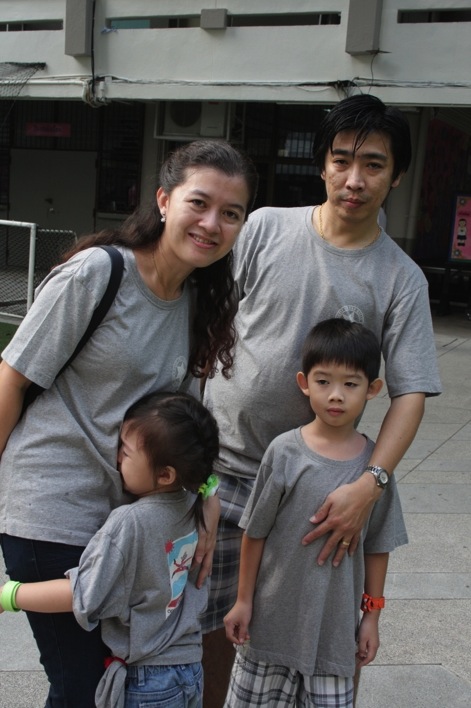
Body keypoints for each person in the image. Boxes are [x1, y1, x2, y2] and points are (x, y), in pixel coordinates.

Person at [200, 94, 441, 706]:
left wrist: (370, 484)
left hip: (324, 493)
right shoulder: (264, 227)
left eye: (374, 165)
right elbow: (210, 318)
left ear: (397, 175)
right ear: (323, 164)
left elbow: (410, 393)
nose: (354, 179)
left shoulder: (401, 277)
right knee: (210, 625)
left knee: (328, 634)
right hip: (223, 469)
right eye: (341, 160)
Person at [0, 140, 258, 707]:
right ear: (164, 200)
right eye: (199, 203)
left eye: (231, 213)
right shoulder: (99, 273)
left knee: (113, 680)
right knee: (83, 684)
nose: (212, 224)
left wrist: (207, 494)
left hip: (124, 521)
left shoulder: (196, 299)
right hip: (51, 508)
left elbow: (183, 423)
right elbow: (11, 379)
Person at [223, 319, 408, 707]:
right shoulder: (284, 453)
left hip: (334, 637)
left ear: (373, 389)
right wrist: (243, 600)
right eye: (323, 381)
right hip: (268, 631)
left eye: (351, 384)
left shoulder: (375, 471)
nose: (335, 395)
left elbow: (378, 547)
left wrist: (371, 617)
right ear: (304, 383)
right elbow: (254, 532)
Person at [0, 391, 220, 708]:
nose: (116, 458)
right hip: (190, 668)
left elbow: (84, 594)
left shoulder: (129, 523)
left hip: (148, 682)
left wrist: (9, 595)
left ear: (165, 474)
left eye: (125, 453)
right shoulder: (196, 504)